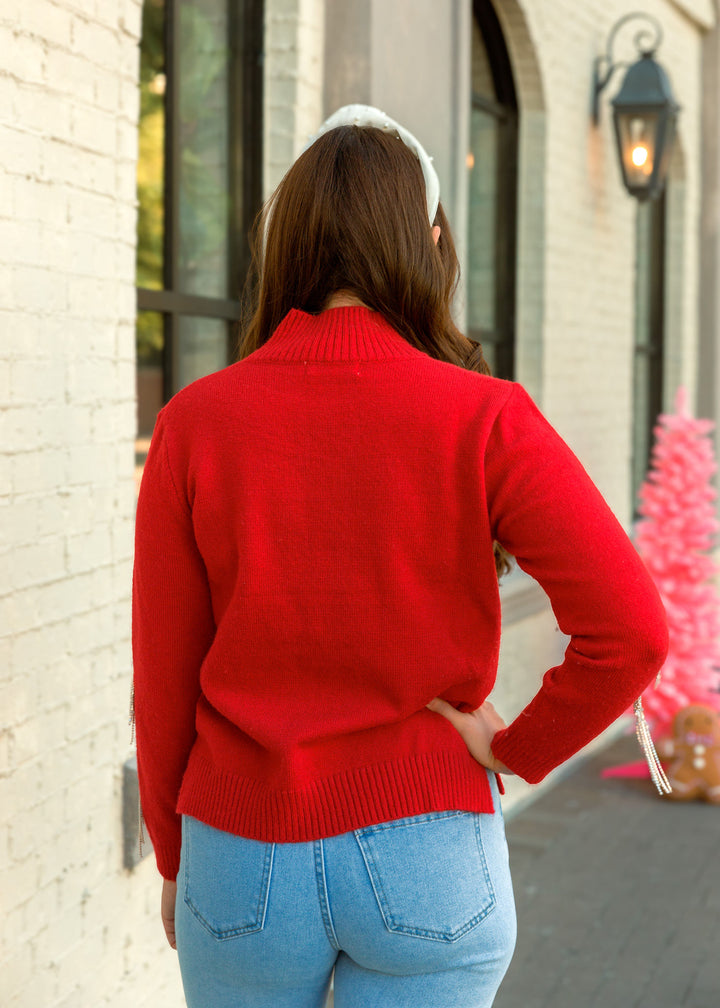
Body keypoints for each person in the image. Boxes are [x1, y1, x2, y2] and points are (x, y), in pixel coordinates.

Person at [131, 104, 669, 1008]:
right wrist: (518, 748)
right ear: (428, 242)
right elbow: (634, 632)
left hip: (242, 854)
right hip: (431, 852)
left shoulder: (196, 422)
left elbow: (165, 675)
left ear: (287, 244)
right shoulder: (485, 416)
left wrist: (177, 855)